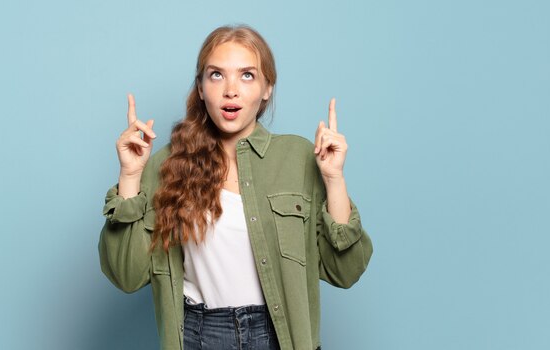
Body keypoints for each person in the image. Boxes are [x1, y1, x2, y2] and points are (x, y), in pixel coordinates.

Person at [99, 25, 373, 350]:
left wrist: (334, 180)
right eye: (216, 75)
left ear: (267, 87)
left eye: (247, 76)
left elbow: (346, 271)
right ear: (200, 88)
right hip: (199, 335)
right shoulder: (166, 165)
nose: (231, 90)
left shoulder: (299, 159)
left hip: (279, 335)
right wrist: (130, 176)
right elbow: (125, 276)